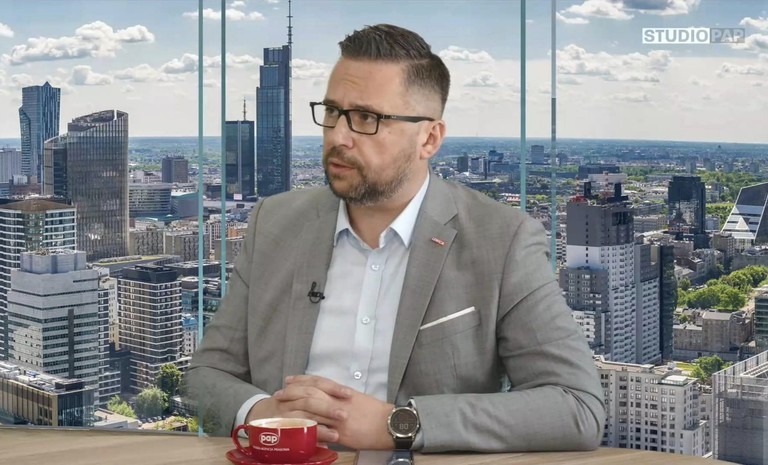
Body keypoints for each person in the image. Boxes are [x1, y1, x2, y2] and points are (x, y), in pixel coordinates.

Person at [185, 23, 605, 453]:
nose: (339, 136)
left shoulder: (503, 239)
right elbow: (205, 376)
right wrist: (263, 413)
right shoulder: (274, 222)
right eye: (332, 112)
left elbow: (577, 407)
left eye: (367, 118)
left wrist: (400, 424)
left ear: (429, 138)